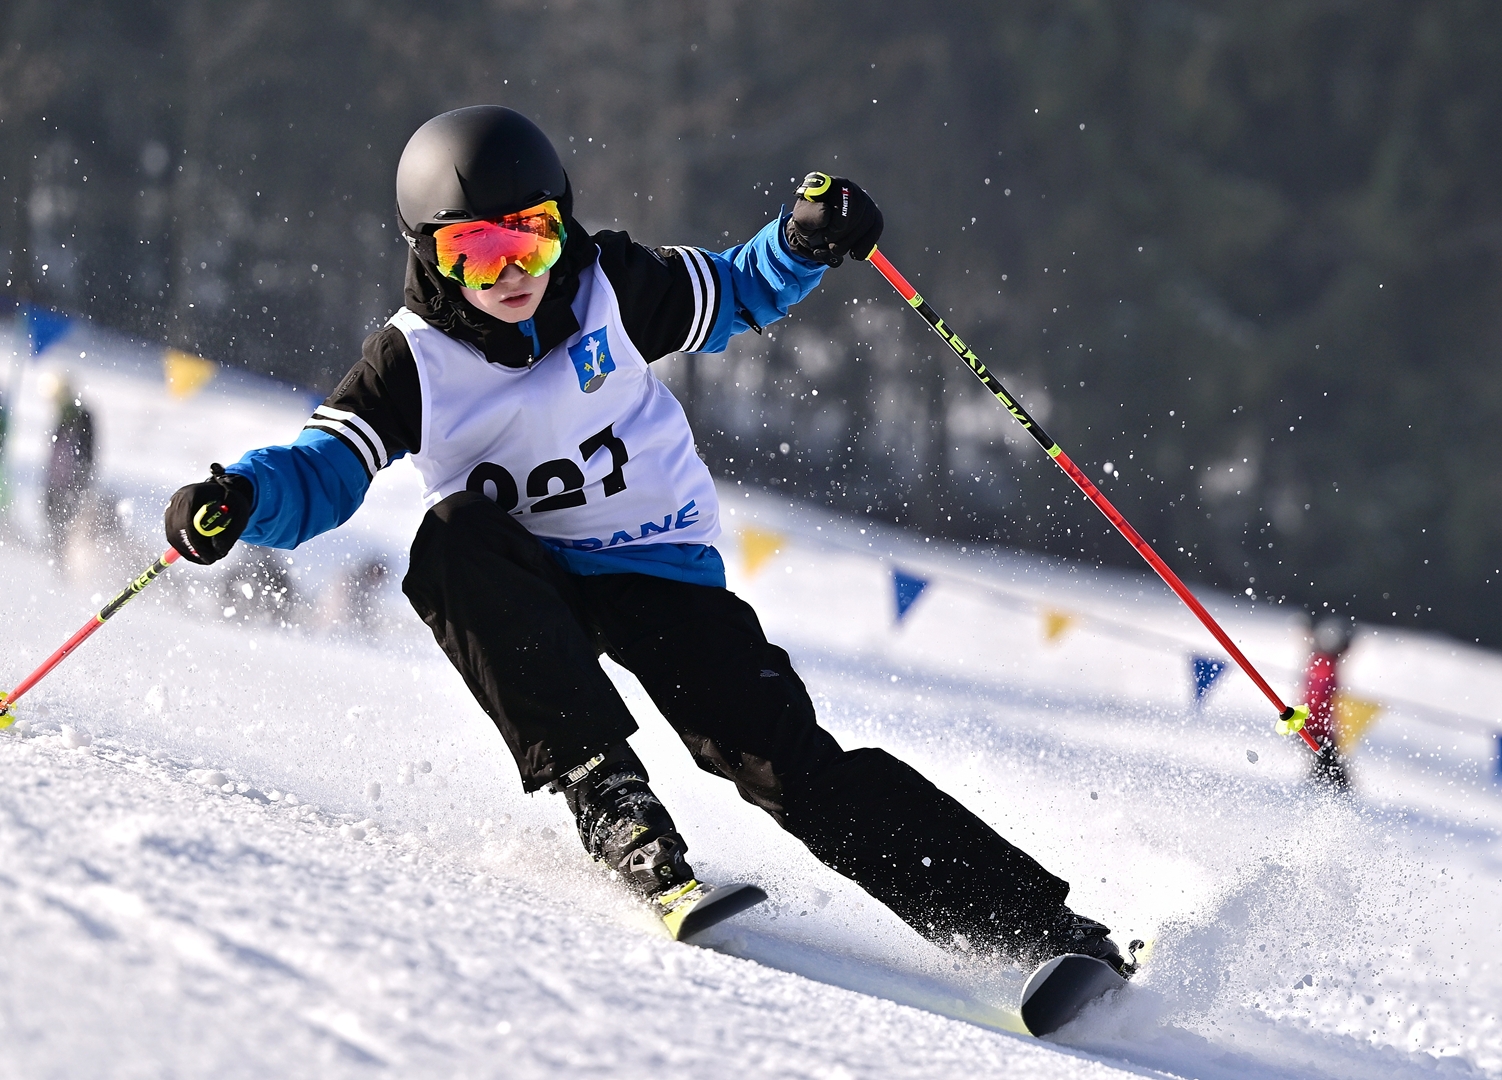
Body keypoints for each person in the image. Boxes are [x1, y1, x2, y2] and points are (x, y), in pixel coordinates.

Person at [162, 106, 1129, 972]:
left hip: (659, 569)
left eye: (531, 239)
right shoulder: (410, 360)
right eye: (476, 252)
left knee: (793, 767)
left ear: (562, 224)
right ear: (429, 254)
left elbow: (739, 289)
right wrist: (241, 498)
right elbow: (323, 467)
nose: (512, 274)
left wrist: (802, 239)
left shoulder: (609, 285)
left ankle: (1036, 932)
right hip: (527, 585)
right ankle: (611, 801)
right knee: (450, 541)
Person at [1304, 614, 1354, 790]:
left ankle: (1316, 791)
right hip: (1316, 728)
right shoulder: (1325, 664)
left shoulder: (1319, 659)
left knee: (1327, 770)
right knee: (1335, 775)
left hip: (1319, 727)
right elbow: (1316, 698)